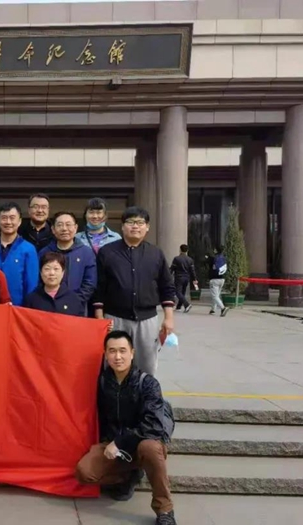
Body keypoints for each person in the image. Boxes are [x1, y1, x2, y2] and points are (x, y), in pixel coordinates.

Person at [76, 331, 175, 525]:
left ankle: (164, 509)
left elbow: (153, 426)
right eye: (112, 351)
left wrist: (120, 442)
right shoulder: (103, 381)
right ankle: (129, 475)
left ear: (132, 353)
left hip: (143, 441)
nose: (117, 356)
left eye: (122, 351)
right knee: (84, 472)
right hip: (115, 444)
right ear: (105, 354)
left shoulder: (147, 383)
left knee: (150, 448)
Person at [92, 207, 175, 376]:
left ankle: (144, 393)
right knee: (114, 365)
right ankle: (114, 393)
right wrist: (99, 318)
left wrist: (169, 318)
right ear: (122, 226)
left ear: (147, 227)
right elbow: (99, 286)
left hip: (147, 319)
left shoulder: (156, 254)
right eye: (130, 222)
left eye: (140, 222)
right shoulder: (107, 252)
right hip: (115, 319)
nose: (135, 226)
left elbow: (166, 286)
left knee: (147, 366)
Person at [38, 211, 97, 309]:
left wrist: (73, 301)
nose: (64, 229)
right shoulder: (44, 252)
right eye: (60, 225)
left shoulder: (86, 253)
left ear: (76, 228)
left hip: (77, 307)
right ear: (53, 229)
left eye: (68, 224)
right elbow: (38, 280)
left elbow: (90, 283)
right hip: (48, 306)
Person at [0, 202, 39, 306]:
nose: (8, 222)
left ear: (20, 221)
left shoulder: (28, 249)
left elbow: (31, 284)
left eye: (12, 218)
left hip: (17, 308)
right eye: (4, 218)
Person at [23, 251, 84, 317]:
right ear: (41, 272)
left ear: (63, 272)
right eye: (47, 269)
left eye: (56, 269)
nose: (52, 273)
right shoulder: (31, 299)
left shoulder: (73, 299)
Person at [170, 244, 198, 313]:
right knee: (182, 292)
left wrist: (168, 275)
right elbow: (192, 270)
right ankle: (178, 307)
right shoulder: (190, 259)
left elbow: (172, 268)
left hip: (179, 277)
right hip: (187, 278)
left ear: (180, 250)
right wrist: (194, 279)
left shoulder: (176, 259)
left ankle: (186, 304)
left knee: (178, 292)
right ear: (187, 250)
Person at [207, 246, 229, 317]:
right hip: (222, 279)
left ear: (216, 250)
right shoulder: (224, 258)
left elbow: (211, 266)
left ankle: (223, 308)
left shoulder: (214, 258)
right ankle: (213, 309)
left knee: (215, 296)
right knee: (217, 295)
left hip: (214, 279)